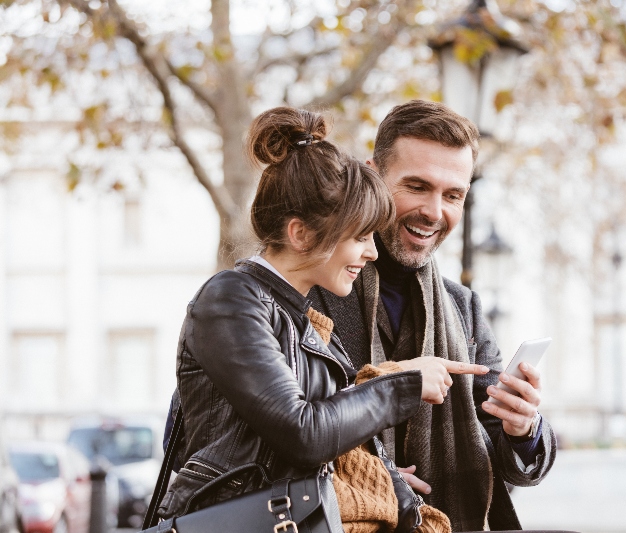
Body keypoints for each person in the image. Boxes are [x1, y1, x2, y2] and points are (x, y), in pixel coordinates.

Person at [157, 107, 489, 532]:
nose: (371, 252)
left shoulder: (307, 320)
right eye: (360, 236)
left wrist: (395, 496)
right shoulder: (230, 299)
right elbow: (304, 432)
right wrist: (403, 385)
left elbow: (335, 434)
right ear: (301, 234)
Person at [308, 100, 557, 532]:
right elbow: (269, 432)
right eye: (417, 186)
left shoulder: (463, 307)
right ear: (372, 176)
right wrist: (367, 481)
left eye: (453, 195)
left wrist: (523, 428)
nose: (434, 211)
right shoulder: (304, 286)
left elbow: (503, 458)